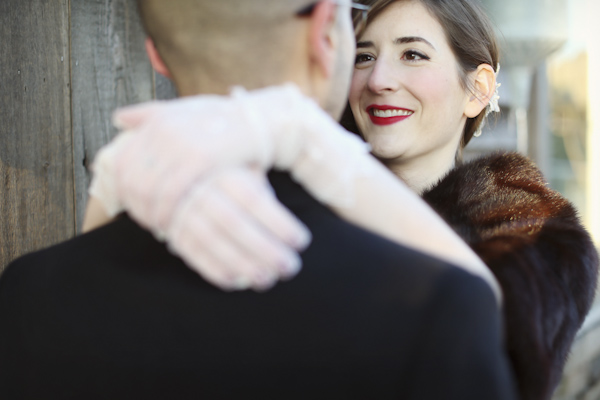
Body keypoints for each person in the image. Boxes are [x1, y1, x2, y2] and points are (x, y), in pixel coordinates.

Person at [0, 1, 517, 399]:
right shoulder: (436, 303)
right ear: (325, 35)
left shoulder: (27, 293)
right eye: (364, 49)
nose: (380, 80)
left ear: (154, 51)